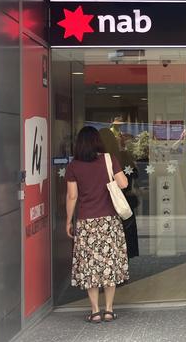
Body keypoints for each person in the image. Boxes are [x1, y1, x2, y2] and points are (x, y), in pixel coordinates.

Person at [65, 126, 130, 323]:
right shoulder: (109, 159)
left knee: (90, 267)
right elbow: (124, 183)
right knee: (109, 265)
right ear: (97, 141)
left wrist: (68, 220)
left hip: (87, 223)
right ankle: (109, 310)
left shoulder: (73, 166)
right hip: (109, 221)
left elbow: (72, 196)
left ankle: (94, 311)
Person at [99, 128, 140, 258]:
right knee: (126, 235)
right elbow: (135, 173)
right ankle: (124, 268)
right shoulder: (122, 155)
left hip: (105, 202)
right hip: (123, 200)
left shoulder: (96, 159)